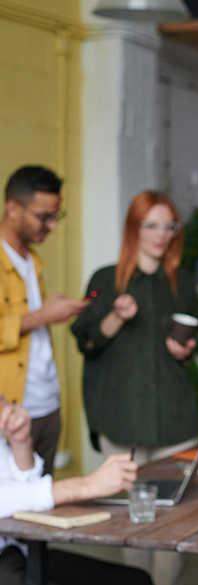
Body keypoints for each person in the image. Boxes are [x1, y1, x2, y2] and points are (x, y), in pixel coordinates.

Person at [71, 191, 198, 585]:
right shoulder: (104, 280)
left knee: (175, 522)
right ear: (134, 228)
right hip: (121, 415)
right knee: (135, 520)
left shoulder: (182, 283)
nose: (161, 234)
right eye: (151, 225)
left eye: (169, 226)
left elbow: (190, 343)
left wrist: (185, 349)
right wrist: (116, 315)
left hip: (173, 417)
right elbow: (87, 341)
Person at [0, 395, 151, 585]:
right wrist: (86, 485)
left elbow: (22, 491)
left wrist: (21, 444)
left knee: (135, 581)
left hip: (19, 549)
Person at [0, 165, 90, 475]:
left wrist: (52, 312)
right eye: (44, 217)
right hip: (11, 410)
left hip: (47, 404)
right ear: (13, 209)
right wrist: (43, 316)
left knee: (42, 496)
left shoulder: (32, 260)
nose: (51, 225)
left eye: (56, 216)